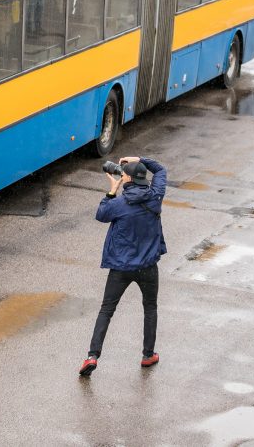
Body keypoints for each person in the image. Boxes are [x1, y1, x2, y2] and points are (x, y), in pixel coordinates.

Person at [79, 156, 168, 376]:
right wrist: (141, 160)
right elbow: (161, 170)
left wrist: (112, 190)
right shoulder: (156, 196)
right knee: (150, 307)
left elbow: (101, 215)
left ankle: (92, 356)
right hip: (148, 266)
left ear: (126, 178)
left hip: (121, 267)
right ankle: (148, 355)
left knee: (107, 310)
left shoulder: (118, 204)